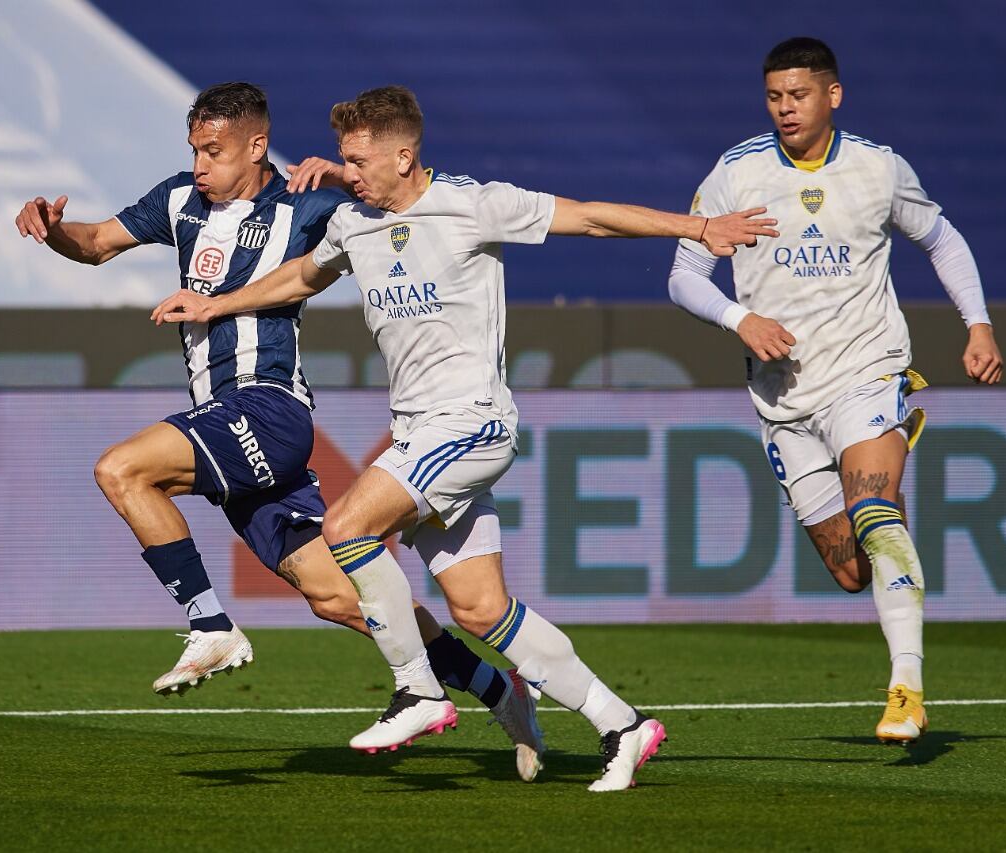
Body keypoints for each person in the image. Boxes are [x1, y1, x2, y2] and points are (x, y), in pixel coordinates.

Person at [154, 85, 777, 790]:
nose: (345, 172)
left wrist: (697, 231)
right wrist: (216, 303)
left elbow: (593, 218)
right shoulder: (354, 223)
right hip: (417, 430)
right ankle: (623, 724)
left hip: (472, 420)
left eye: (358, 161)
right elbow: (299, 275)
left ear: (403, 154)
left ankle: (419, 691)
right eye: (345, 161)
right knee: (480, 607)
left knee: (347, 527)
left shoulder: (473, 203)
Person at [15, 82, 544, 780]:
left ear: (257, 145)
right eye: (195, 150)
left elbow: (394, 203)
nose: (201, 164)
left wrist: (342, 177)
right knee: (343, 599)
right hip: (223, 420)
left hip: (268, 408)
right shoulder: (178, 201)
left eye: (215, 150)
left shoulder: (307, 206)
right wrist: (53, 229)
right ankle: (498, 688)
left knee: (122, 468)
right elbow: (96, 243)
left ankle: (211, 625)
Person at [667, 37, 1002, 744]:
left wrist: (978, 326)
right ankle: (885, 548)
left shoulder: (878, 168)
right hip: (784, 399)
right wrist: (741, 317)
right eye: (774, 97)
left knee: (875, 508)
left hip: (866, 371)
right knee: (850, 569)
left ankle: (906, 687)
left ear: (833, 95)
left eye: (799, 95)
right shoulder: (736, 171)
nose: (785, 109)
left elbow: (943, 239)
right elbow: (683, 275)